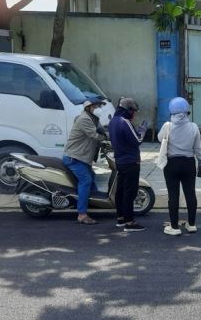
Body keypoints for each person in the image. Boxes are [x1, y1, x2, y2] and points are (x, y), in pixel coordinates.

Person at [158, 97, 201, 237]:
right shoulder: (194, 127)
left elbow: (160, 139)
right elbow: (198, 149)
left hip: (171, 164)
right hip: (189, 163)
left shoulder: (167, 126)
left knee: (173, 195)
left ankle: (174, 227)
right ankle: (191, 224)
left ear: (171, 112)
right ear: (187, 112)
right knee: (190, 193)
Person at [63, 98, 107, 225]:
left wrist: (109, 134)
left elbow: (102, 131)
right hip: (74, 157)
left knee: (92, 178)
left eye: (100, 106)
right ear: (88, 108)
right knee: (86, 181)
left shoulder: (94, 118)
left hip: (82, 157)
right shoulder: (85, 119)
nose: (99, 108)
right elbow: (95, 135)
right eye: (96, 106)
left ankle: (93, 204)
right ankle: (82, 214)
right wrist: (109, 138)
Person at [109, 97, 148, 232]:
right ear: (128, 110)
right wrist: (142, 130)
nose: (134, 114)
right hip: (131, 162)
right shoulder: (124, 122)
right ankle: (130, 222)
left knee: (120, 190)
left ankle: (120, 218)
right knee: (129, 192)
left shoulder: (113, 121)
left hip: (120, 161)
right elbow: (137, 140)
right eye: (133, 111)